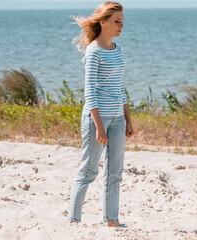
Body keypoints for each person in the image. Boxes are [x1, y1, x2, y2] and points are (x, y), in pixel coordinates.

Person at [67, 1, 133, 228]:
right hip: (97, 120)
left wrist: (127, 118)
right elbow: (90, 92)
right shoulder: (94, 51)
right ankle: (74, 221)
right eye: (117, 21)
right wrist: (99, 127)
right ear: (103, 22)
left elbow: (119, 86)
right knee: (88, 170)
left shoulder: (117, 49)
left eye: (122, 21)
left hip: (117, 119)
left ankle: (112, 221)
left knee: (115, 173)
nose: (121, 25)